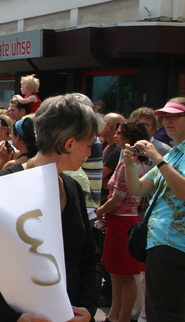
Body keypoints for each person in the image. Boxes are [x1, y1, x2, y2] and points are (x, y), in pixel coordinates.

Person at [0, 94, 101, 322]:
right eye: (89, 145)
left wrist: (88, 309)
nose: (90, 153)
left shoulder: (72, 188)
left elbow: (89, 258)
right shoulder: (5, 183)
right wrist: (14, 316)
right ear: (69, 144)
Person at [122, 97, 185, 321]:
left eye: (175, 116)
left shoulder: (166, 156)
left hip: (174, 246)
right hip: (162, 243)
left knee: (164, 312)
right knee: (160, 309)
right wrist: (129, 163)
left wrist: (158, 159)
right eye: (165, 117)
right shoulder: (173, 154)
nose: (168, 121)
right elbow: (138, 188)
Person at [96, 121, 148, 322]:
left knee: (125, 276)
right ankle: (113, 315)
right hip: (118, 223)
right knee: (115, 274)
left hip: (123, 224)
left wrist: (97, 212)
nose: (115, 135)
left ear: (129, 138)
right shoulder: (128, 162)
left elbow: (117, 199)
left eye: (120, 133)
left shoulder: (130, 165)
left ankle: (123, 318)